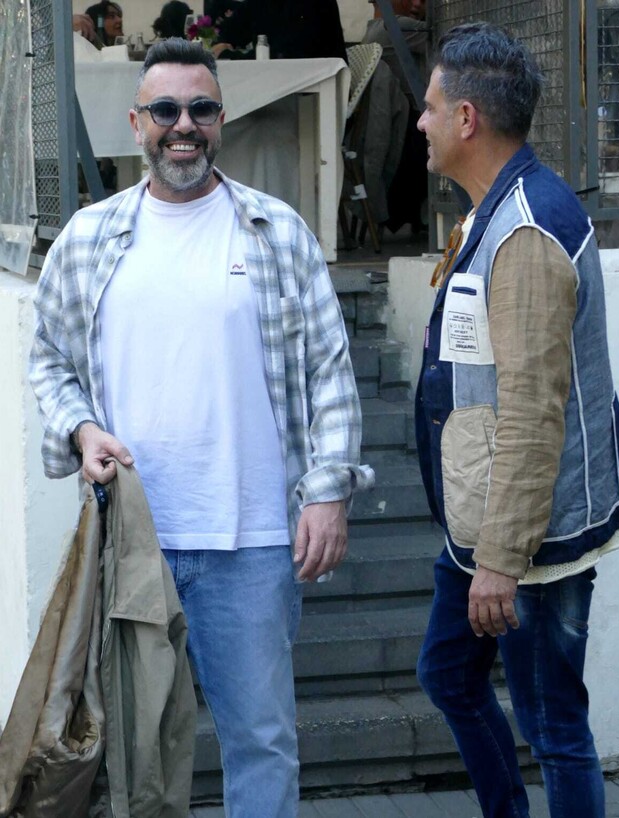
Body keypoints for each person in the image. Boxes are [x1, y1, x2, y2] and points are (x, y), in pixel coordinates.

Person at [29, 37, 373, 818]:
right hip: (132, 542)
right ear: (137, 123)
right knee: (131, 751)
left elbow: (329, 371)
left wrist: (327, 492)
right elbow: (48, 359)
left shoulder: (275, 231)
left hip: (251, 544)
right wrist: (81, 429)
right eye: (165, 110)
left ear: (221, 119)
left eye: (201, 109)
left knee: (261, 742)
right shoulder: (88, 237)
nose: (183, 125)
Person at [414, 22, 619, 818]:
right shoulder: (494, 209)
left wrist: (502, 562)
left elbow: (537, 415)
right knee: (448, 674)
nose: (420, 122)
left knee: (553, 725)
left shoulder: (528, 231)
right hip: (483, 524)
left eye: (430, 107)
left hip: (527, 542)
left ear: (467, 118)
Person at [363, 0, 430, 234]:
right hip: (412, 137)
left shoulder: (372, 30)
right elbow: (446, 37)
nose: (417, 3)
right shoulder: (396, 26)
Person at [204, 0, 347, 61]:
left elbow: (287, 54)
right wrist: (221, 44)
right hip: (276, 89)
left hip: (315, 94)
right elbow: (232, 30)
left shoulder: (313, 3)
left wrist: (230, 55)